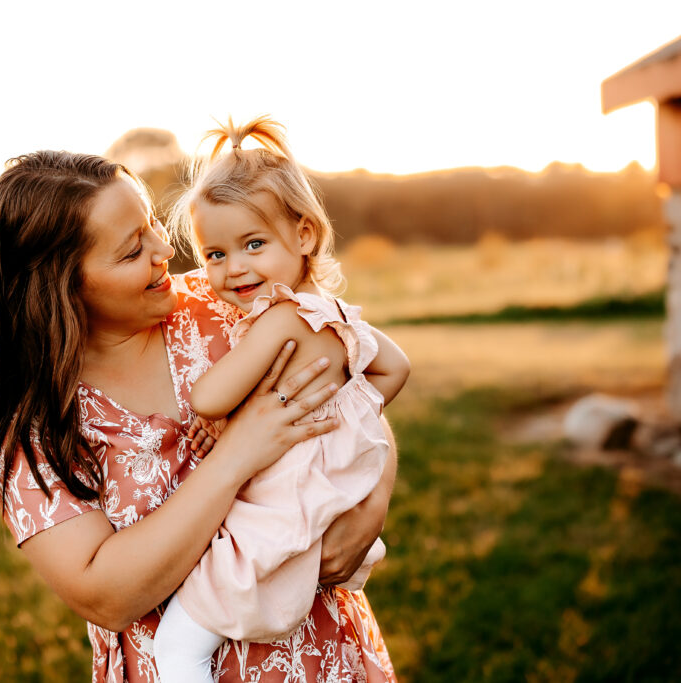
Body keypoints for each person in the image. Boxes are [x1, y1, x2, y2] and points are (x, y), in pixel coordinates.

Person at [0, 149, 400, 682]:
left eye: (154, 225)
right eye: (134, 249)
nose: (166, 249)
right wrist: (235, 456)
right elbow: (105, 596)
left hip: (322, 655)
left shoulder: (227, 305)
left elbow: (351, 384)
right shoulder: (34, 426)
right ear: (63, 285)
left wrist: (375, 498)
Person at [152, 117, 410, 683]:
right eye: (213, 254)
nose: (233, 268)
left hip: (279, 509)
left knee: (176, 651)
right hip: (324, 497)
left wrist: (228, 413)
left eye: (253, 244)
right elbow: (395, 367)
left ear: (306, 236)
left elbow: (208, 395)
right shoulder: (342, 318)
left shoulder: (278, 319)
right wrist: (347, 413)